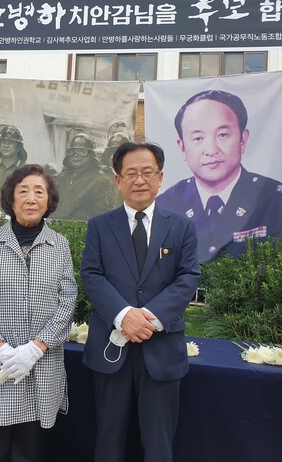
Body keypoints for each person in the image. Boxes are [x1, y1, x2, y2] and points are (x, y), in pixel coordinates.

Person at [81, 142, 200, 462]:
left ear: (160, 178)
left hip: (161, 347)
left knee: (160, 444)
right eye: (130, 173)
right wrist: (123, 316)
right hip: (111, 347)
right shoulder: (99, 226)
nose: (139, 180)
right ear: (118, 180)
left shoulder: (182, 227)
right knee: (108, 439)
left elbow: (188, 276)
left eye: (147, 172)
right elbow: (92, 275)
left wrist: (146, 317)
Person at [0, 164, 77, 462]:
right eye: (23, 191)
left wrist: (36, 348)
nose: (31, 198)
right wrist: (1, 349)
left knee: (31, 449)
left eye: (39, 191)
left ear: (48, 200)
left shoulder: (60, 245)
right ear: (10, 199)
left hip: (40, 364)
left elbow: (67, 302)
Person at [156, 89, 282, 263]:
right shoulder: (166, 205)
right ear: (182, 147)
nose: (211, 150)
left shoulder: (276, 199)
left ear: (242, 139)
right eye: (198, 138)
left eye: (222, 135)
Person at [52, 127, 113, 221]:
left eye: (81, 151)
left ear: (91, 155)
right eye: (72, 151)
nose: (76, 155)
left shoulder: (101, 181)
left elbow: (102, 217)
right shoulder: (61, 178)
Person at [101, 121, 133, 209]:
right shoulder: (101, 177)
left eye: (120, 152)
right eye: (112, 152)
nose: (114, 156)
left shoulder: (136, 176)